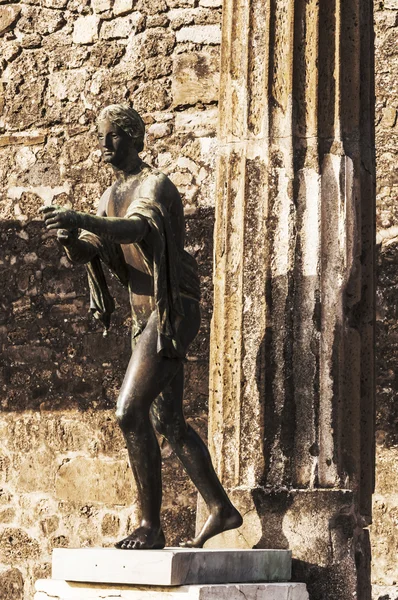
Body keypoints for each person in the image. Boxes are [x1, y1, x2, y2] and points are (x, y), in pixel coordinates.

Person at [40, 104, 242, 550]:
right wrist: (70, 237)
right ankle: (221, 509)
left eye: (112, 136)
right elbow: (90, 251)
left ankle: (151, 526)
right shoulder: (108, 195)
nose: (104, 145)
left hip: (171, 309)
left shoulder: (155, 185)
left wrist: (82, 220)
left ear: (133, 137)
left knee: (127, 411)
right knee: (169, 420)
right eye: (101, 136)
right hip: (143, 314)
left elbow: (133, 229)